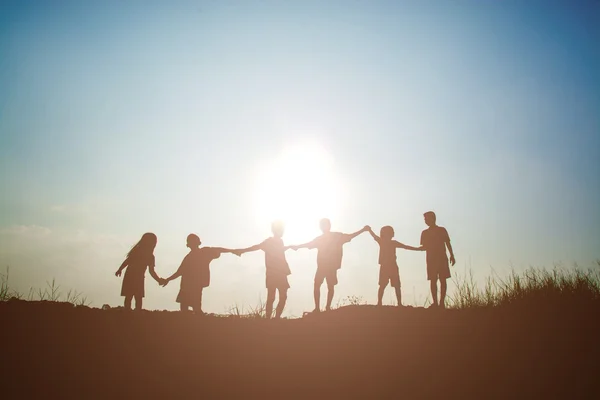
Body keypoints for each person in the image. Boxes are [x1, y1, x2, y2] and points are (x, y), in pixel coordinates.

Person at [291, 218, 369, 312]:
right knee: (319, 285)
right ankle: (318, 308)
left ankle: (326, 307)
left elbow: (350, 236)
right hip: (323, 266)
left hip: (330, 266)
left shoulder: (336, 236)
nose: (323, 227)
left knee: (329, 286)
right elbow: (309, 244)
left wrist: (362, 230)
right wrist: (297, 247)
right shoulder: (324, 238)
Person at [162, 234, 238, 314]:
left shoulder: (202, 252)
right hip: (188, 284)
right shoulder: (193, 256)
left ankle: (195, 321)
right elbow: (180, 272)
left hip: (193, 284)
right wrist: (233, 251)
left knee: (193, 306)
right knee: (189, 306)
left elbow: (218, 249)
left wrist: (233, 251)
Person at [234, 221, 292, 319]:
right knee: (272, 297)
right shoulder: (268, 242)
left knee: (283, 296)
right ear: (275, 230)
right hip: (273, 273)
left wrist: (287, 247)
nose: (282, 231)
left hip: (281, 273)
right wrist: (242, 251)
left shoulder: (280, 241)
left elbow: (278, 252)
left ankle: (276, 318)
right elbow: (256, 247)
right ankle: (268, 318)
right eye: (281, 229)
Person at [366, 225, 423, 307]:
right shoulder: (383, 242)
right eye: (391, 232)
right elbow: (405, 247)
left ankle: (397, 303)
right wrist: (369, 230)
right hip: (386, 266)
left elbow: (405, 247)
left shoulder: (391, 243)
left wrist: (418, 249)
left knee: (394, 285)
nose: (392, 233)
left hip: (392, 266)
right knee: (384, 285)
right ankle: (381, 302)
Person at [115, 232, 164, 311]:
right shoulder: (149, 256)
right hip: (136, 277)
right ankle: (135, 313)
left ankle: (129, 312)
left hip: (132, 276)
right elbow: (151, 271)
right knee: (137, 297)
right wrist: (158, 280)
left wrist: (120, 269)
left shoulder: (139, 252)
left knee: (131, 296)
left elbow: (127, 261)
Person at [420, 211, 456, 309]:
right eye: (425, 219)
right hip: (431, 259)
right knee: (433, 280)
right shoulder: (425, 233)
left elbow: (447, 243)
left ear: (433, 218)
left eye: (426, 219)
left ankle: (441, 303)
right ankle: (435, 303)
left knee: (443, 279)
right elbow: (424, 247)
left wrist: (452, 255)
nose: (425, 221)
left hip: (442, 258)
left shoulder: (442, 230)